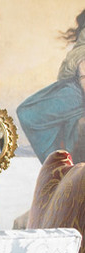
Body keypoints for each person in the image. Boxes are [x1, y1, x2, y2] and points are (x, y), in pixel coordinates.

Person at [16, 8, 85, 163]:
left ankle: (55, 163)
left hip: (77, 92)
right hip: (75, 88)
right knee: (27, 113)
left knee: (27, 113)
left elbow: (83, 69)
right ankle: (55, 162)